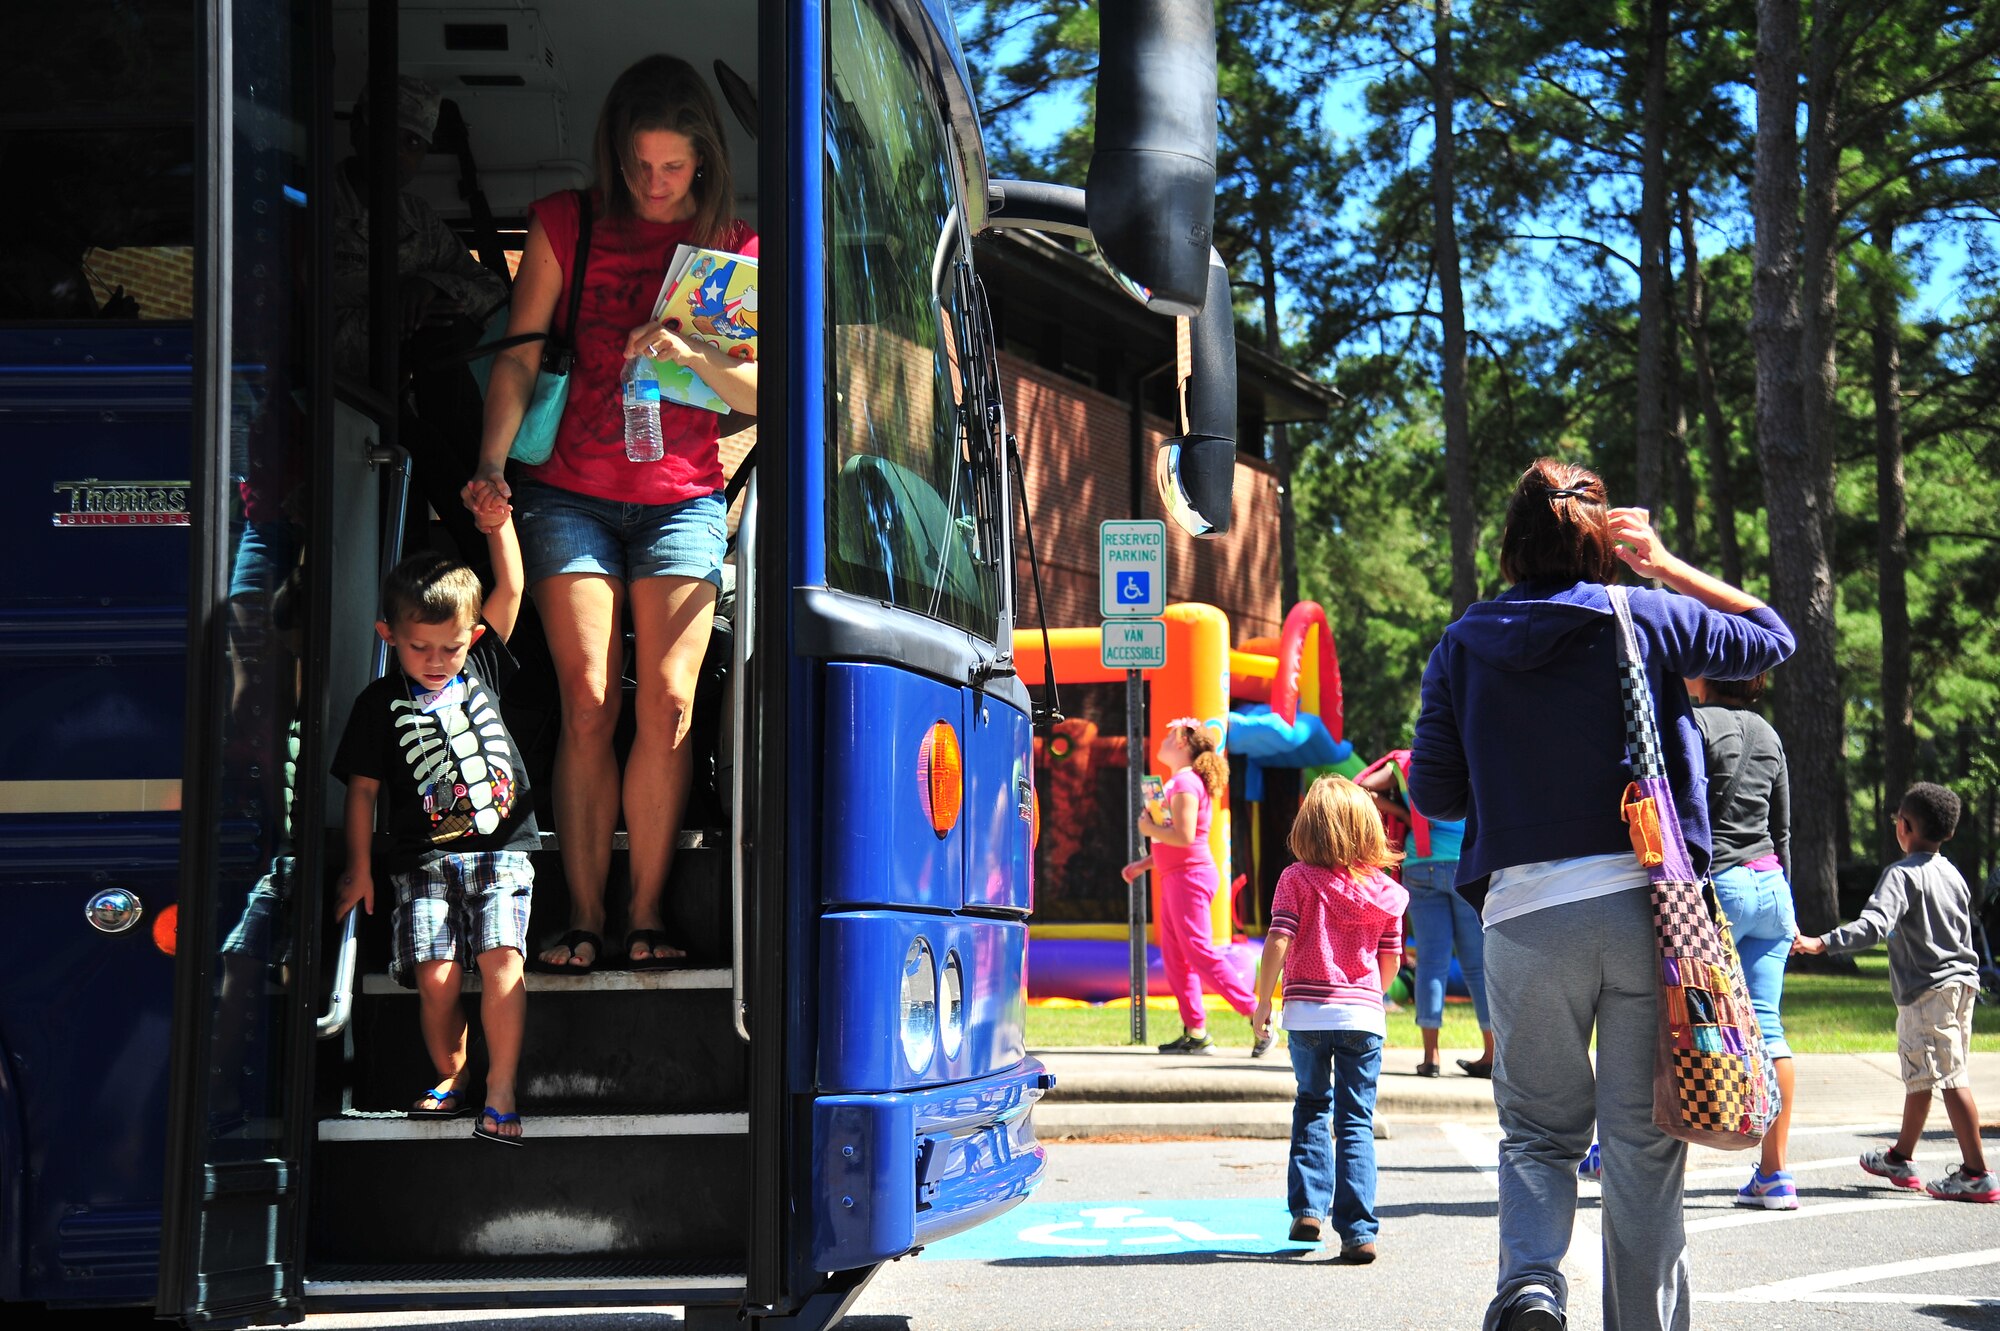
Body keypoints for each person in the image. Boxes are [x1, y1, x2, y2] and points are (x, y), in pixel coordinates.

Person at [1409, 460, 1794, 1331]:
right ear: (1602, 540)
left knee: (1539, 1133)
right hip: (1649, 915)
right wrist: (1664, 565)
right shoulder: (1645, 615)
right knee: (1642, 1147)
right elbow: (1771, 637)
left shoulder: (1463, 642)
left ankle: (1533, 1290)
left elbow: (1435, 793)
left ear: (1511, 543)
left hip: (1524, 917)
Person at [464, 56, 757, 972]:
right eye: (639, 165)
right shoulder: (565, 222)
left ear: (704, 161)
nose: (654, 183)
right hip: (571, 492)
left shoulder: (737, 248)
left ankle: (647, 913)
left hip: (683, 497)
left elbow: (760, 389)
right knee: (589, 701)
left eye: (672, 167)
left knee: (668, 706)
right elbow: (517, 356)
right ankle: (584, 916)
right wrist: (489, 463)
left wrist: (684, 348)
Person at [331, 512, 538, 1146]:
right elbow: (363, 792)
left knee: (503, 961)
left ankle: (500, 1087)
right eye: (419, 647)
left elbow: (513, 587)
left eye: (450, 646)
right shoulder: (375, 704)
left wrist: (498, 523)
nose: (436, 660)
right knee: (436, 978)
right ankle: (452, 1072)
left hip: (501, 853)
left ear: (473, 637)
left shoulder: (482, 667)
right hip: (421, 861)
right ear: (387, 634)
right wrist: (360, 866)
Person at [332, 73, 510, 572]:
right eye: (390, 134)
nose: (400, 152)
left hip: (413, 410)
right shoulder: (311, 209)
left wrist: (431, 285)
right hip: (333, 405)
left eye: (414, 143)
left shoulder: (418, 221)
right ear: (359, 130)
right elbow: (292, 328)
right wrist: (392, 315)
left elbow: (493, 293)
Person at [1793, 783, 1994, 1203]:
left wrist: (1821, 943)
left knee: (1950, 1077)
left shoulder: (1901, 875)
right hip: (1962, 985)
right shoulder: (1952, 874)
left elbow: (1873, 926)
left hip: (1927, 991)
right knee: (1920, 1075)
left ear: (1904, 826)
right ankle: (1901, 1157)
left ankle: (1976, 1173)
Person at [1252, 774, 1407, 1263]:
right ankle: (1359, 1231)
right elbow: (1392, 960)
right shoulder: (1385, 891)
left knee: (1312, 1105)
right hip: (1362, 1013)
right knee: (1356, 1120)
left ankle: (1309, 1209)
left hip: (1306, 1014)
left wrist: (1263, 1002)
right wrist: (1370, 999)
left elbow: (1278, 940)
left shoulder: (1295, 878)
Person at [1122, 718, 1260, 1054]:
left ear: (1182, 741)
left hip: (1189, 878)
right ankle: (1196, 1032)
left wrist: (1147, 828)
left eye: (1170, 734)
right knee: (1176, 957)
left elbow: (1183, 837)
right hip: (1178, 876)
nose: (1163, 739)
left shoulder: (1184, 783)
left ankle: (1259, 1015)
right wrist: (1143, 864)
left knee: (1198, 954)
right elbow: (1183, 837)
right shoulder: (1182, 781)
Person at [1358, 749, 1492, 1078]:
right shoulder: (1471, 753)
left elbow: (1360, 789)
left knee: (1432, 963)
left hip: (1422, 864)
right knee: (1477, 965)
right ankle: (1491, 1053)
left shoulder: (1407, 763)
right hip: (1466, 865)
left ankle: (1431, 1057)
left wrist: (1404, 815)